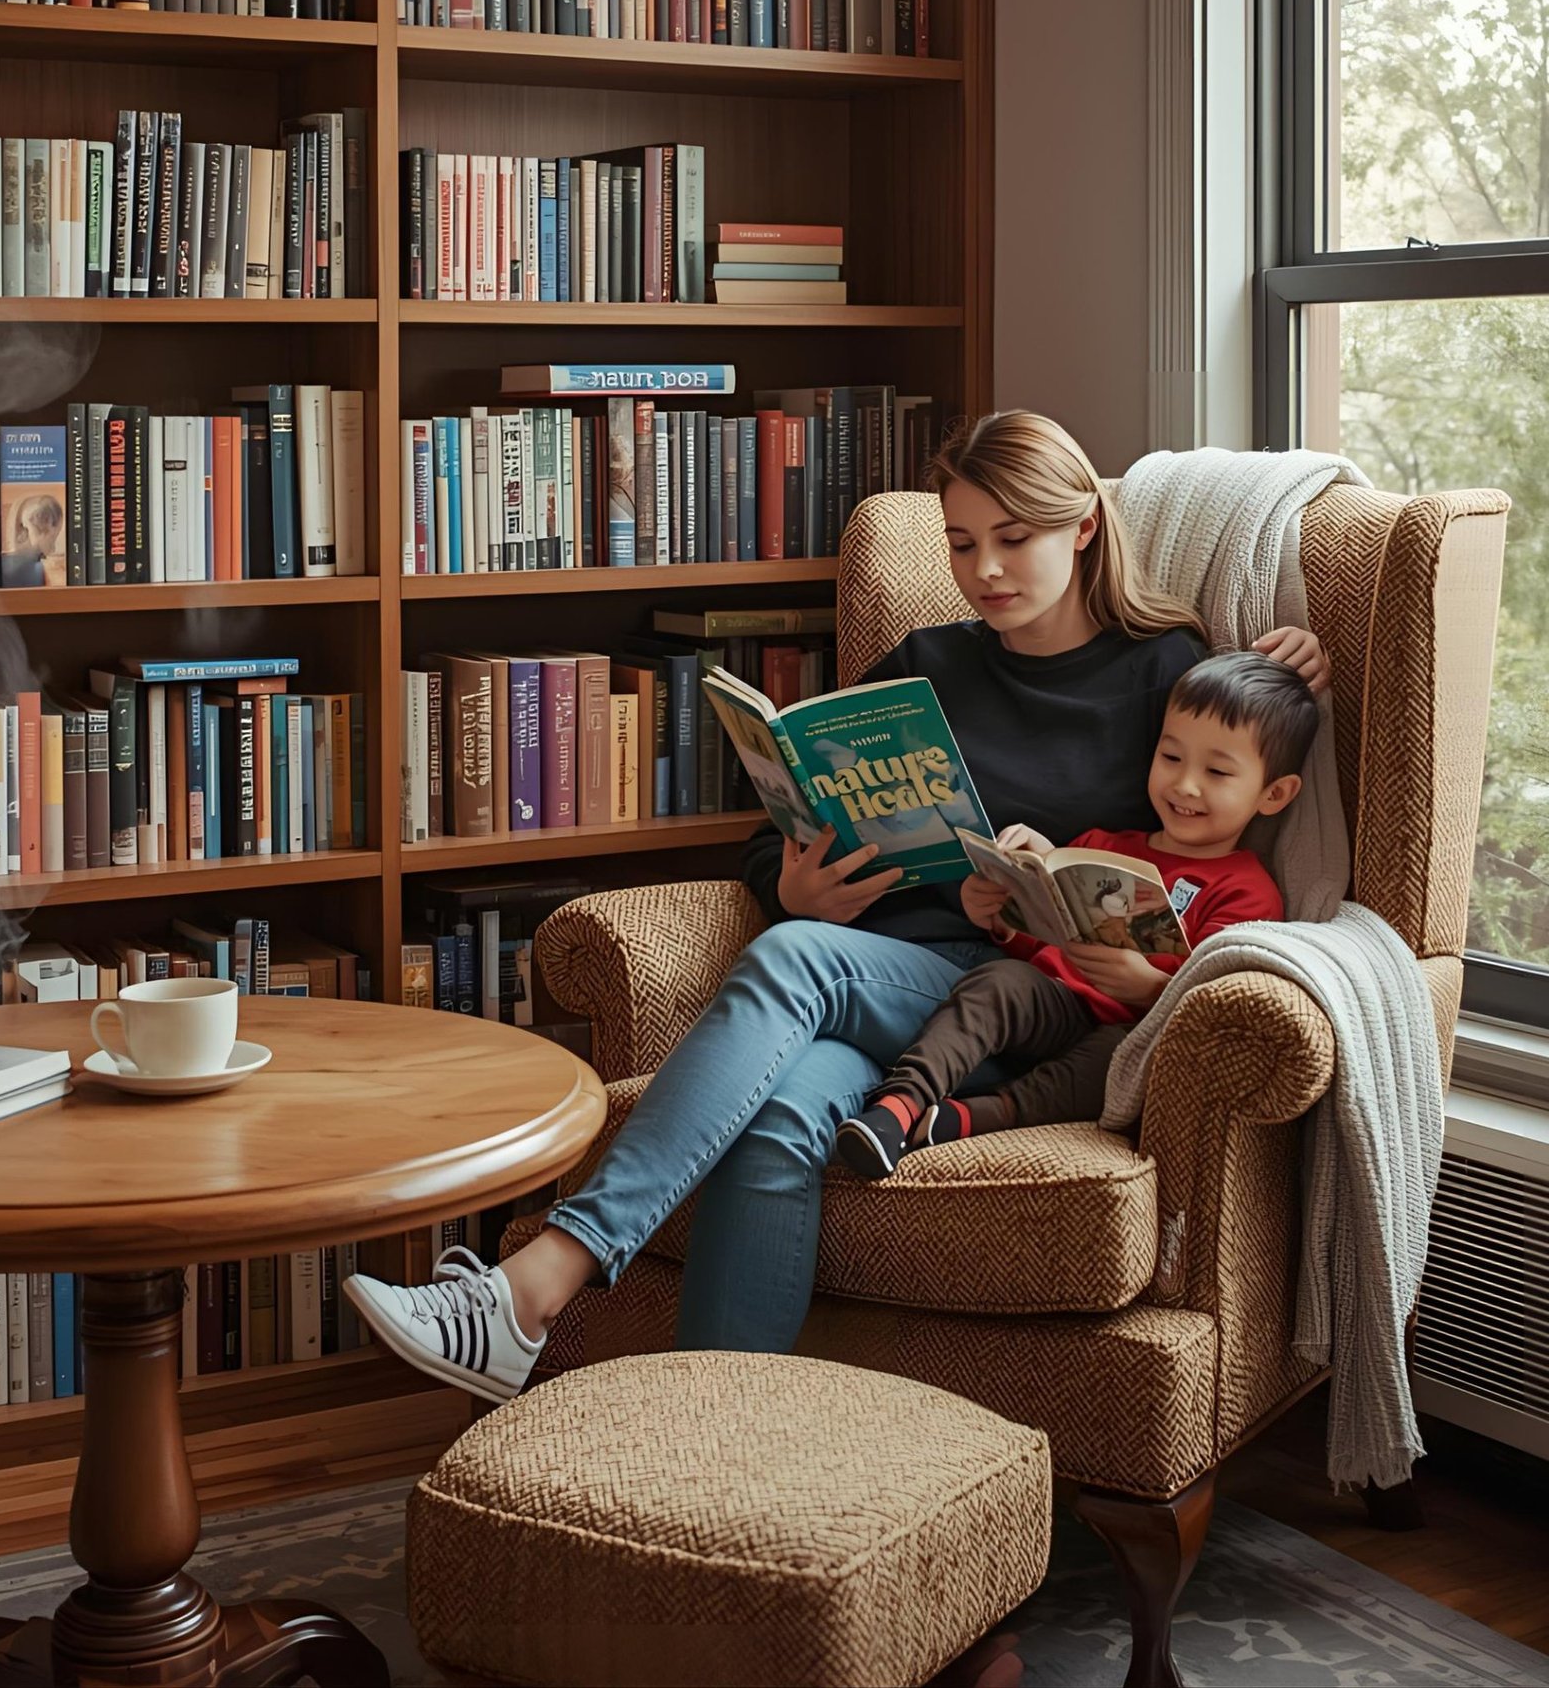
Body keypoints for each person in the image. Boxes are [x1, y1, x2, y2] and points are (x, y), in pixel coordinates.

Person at [344, 411, 1332, 1404]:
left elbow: (1232, 750)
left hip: (1024, 999)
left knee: (796, 958)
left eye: (1012, 538)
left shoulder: (1160, 668)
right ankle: (717, 1435)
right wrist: (793, 881)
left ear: (1082, 527)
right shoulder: (926, 662)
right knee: (779, 1118)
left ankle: (536, 1285)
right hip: (878, 970)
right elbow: (778, 827)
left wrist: (1289, 655)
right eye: (960, 543)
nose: (984, 569)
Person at [833, 649, 1313, 1178]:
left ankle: (976, 1117)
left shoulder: (1247, 892)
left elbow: (1217, 993)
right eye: (1171, 757)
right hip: (1054, 1000)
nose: (1185, 785)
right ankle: (897, 1107)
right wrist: (1000, 915)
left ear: (1274, 793)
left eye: (1217, 771)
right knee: (997, 980)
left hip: (1132, 1028)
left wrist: (1152, 987)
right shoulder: (1100, 848)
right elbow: (1039, 944)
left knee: (1117, 1060)